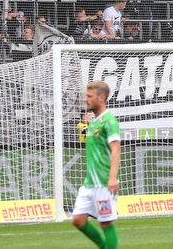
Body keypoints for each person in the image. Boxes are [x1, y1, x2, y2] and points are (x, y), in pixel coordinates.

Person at [71, 81, 120, 249]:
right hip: (89, 184)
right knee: (78, 220)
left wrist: (112, 178)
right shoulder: (92, 123)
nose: (85, 99)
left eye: (89, 96)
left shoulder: (109, 121)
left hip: (103, 184)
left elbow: (116, 149)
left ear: (101, 97)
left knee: (106, 223)